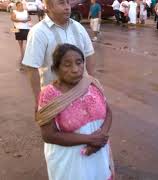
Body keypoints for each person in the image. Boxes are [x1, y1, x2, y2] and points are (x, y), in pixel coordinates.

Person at [37, 43, 114, 180]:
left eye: (79, 63)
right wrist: (91, 139)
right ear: (55, 69)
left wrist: (101, 137)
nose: (75, 69)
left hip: (98, 154)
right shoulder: (49, 95)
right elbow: (48, 135)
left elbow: (108, 112)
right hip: (70, 164)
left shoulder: (92, 84)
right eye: (67, 65)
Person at [22, 0, 96, 104]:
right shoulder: (39, 32)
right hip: (55, 100)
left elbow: (89, 54)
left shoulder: (78, 28)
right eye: (61, 3)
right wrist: (39, 100)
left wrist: (92, 83)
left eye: (67, 2)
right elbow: (32, 67)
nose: (67, 7)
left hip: (82, 94)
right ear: (48, 7)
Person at [11, 1, 31, 71]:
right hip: (17, 28)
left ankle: (27, 56)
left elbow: (29, 18)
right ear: (16, 6)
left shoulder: (25, 11)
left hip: (26, 28)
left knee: (28, 43)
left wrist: (26, 20)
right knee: (20, 44)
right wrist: (21, 21)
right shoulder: (14, 11)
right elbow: (12, 19)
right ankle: (22, 56)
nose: (20, 6)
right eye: (19, 5)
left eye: (21, 5)